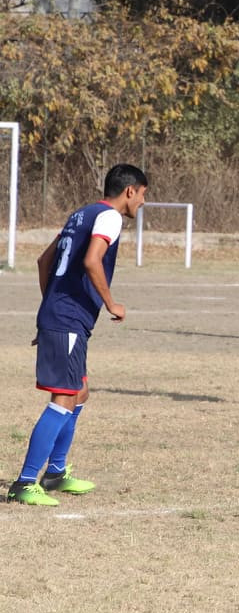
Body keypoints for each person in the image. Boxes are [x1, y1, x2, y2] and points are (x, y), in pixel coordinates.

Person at [7, 164, 148, 506]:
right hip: (67, 319)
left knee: (79, 391)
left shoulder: (81, 214)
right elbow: (91, 260)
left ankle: (55, 474)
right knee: (65, 397)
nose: (142, 203)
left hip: (62, 318)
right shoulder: (111, 217)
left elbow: (44, 261)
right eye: (143, 195)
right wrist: (112, 303)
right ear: (129, 191)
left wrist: (50, 312)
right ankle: (25, 482)